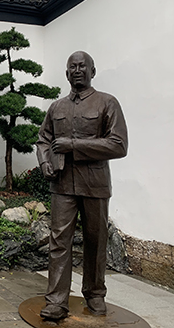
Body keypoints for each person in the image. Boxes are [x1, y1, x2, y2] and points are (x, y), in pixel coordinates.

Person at [35, 51, 128, 320]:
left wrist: (73, 145)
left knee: (96, 241)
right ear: (66, 74)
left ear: (92, 71)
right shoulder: (57, 107)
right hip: (62, 184)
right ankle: (56, 301)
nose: (77, 70)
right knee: (58, 242)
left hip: (95, 185)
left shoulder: (107, 103)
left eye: (82, 66)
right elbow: (43, 139)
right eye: (72, 67)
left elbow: (118, 145)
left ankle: (95, 293)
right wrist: (45, 162)